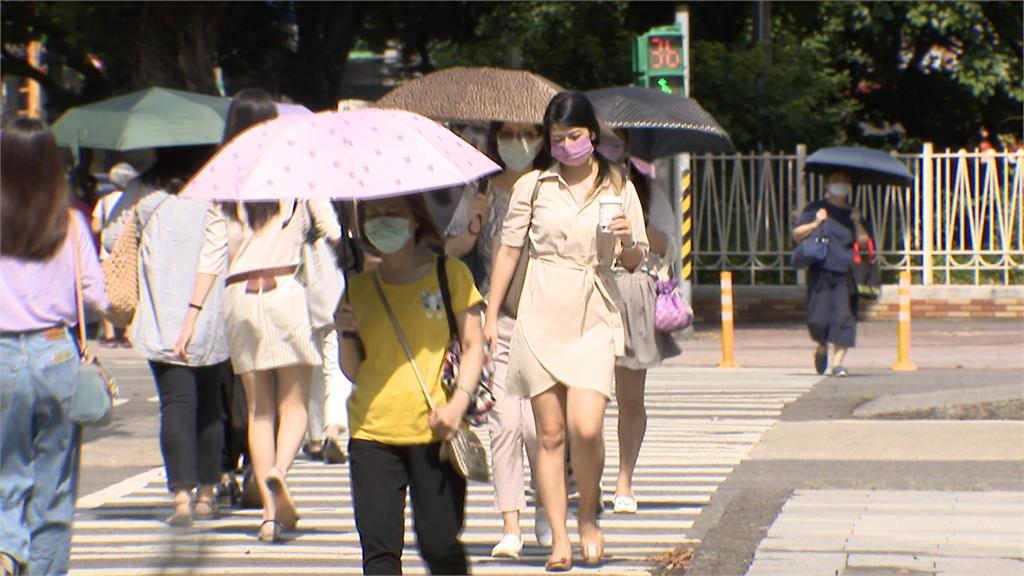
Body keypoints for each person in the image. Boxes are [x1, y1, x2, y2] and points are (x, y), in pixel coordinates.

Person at [485, 91, 649, 571]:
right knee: (550, 433)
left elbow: (636, 259)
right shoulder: (533, 186)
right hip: (539, 310)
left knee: (586, 425)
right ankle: (559, 537)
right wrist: (493, 313)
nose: (565, 147)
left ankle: (589, 514)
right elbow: (509, 251)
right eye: (556, 139)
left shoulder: (619, 186)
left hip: (594, 308)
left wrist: (624, 239)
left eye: (574, 137)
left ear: (592, 135)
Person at [173, 88, 342, 543]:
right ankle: (279, 474)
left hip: (238, 298)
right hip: (285, 288)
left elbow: (210, 257)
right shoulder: (293, 171)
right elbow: (332, 229)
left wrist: (189, 319)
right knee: (296, 406)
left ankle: (269, 515)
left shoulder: (220, 181)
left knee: (259, 410)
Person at [337, 194, 485, 575]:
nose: (383, 222)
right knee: (379, 553)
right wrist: (344, 333)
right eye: (373, 216)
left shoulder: (449, 273)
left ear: (415, 219)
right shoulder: (358, 289)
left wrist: (457, 406)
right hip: (371, 433)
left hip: (434, 432)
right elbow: (354, 371)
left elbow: (473, 347)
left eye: (393, 213)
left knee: (439, 544)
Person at [0, 118, 110, 575]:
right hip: (57, 355)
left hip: (2, 354)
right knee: (55, 486)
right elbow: (96, 297)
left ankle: (6, 549)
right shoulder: (67, 222)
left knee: (5, 473)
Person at [107, 147, 231, 527]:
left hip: (161, 311)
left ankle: (181, 497)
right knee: (210, 404)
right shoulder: (216, 188)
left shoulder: (144, 189)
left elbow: (113, 235)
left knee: (176, 404)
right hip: (210, 309)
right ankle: (208, 494)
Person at [444, 121, 550, 557]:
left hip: (548, 317)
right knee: (505, 421)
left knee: (538, 425)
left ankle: (548, 504)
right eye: (509, 133)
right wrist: (474, 223)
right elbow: (451, 250)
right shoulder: (482, 188)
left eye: (529, 133)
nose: (519, 142)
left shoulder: (552, 186)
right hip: (496, 315)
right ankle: (511, 524)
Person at [597, 131, 681, 515]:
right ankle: (580, 475)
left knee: (630, 399)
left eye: (615, 142)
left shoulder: (642, 187)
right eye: (600, 140)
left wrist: (633, 228)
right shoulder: (565, 185)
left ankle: (624, 481)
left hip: (631, 294)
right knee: (583, 399)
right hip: (584, 291)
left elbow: (669, 244)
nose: (606, 149)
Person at [791, 171, 869, 376]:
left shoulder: (852, 213)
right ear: (827, 184)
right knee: (818, 319)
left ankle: (837, 363)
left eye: (845, 180)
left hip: (846, 273)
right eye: (836, 180)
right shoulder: (816, 209)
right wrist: (816, 223)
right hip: (821, 271)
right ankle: (821, 347)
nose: (841, 184)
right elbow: (797, 234)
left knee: (844, 318)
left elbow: (863, 242)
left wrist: (858, 221)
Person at [91, 162, 137, 347]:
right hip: (130, 252)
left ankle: (110, 335)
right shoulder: (135, 199)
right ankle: (129, 333)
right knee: (132, 292)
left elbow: (95, 226)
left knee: (107, 293)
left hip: (108, 254)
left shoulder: (104, 200)